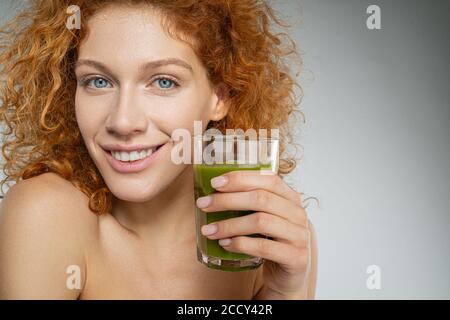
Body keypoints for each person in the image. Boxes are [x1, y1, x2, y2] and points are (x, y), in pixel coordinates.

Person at [0, 0, 317, 299]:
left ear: (220, 97)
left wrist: (283, 292)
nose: (123, 121)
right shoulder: (47, 213)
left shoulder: (266, 235)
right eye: (98, 81)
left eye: (164, 82)